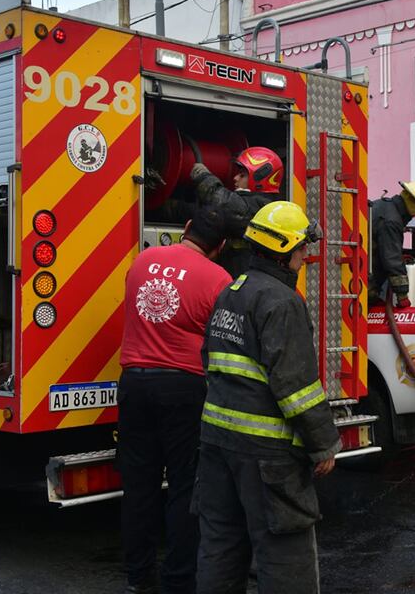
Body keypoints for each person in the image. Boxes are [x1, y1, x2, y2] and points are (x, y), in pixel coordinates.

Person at [194, 201, 341, 594]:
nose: (305, 256)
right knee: (285, 555)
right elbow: (298, 388)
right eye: (301, 249)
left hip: (217, 445)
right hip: (268, 456)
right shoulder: (282, 302)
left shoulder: (232, 291)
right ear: (285, 251)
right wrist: (323, 444)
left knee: (221, 547)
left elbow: (210, 360)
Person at [117, 206, 233, 594]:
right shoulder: (218, 278)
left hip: (133, 383)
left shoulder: (143, 260)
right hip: (184, 387)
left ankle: (138, 576)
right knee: (185, 486)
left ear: (185, 228)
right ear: (220, 246)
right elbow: (220, 340)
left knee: (139, 485)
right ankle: (179, 580)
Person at [188, 146, 284, 278]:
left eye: (242, 175)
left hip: (245, 288)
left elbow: (224, 204)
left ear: (259, 177)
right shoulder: (253, 205)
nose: (235, 178)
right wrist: (172, 208)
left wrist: (204, 177)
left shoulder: (262, 208)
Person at [367, 179, 415, 308]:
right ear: (411, 199)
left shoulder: (384, 206)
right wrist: (403, 295)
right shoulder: (392, 220)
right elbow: (392, 259)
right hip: (366, 285)